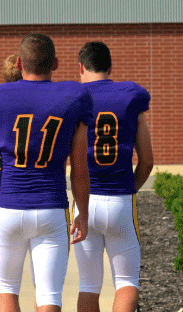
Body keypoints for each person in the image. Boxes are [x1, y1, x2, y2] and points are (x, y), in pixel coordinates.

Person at [0, 33, 92, 312]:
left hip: (10, 207)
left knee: (7, 290)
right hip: (51, 207)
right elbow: (79, 171)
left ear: (19, 63)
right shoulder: (74, 97)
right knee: (49, 295)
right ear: (56, 63)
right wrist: (82, 213)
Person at [74, 41, 153, 312]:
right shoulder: (131, 95)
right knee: (126, 282)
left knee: (88, 284)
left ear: (81, 67)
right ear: (110, 67)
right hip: (120, 198)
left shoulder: (73, 97)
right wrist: (131, 188)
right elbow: (147, 161)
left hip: (84, 201)